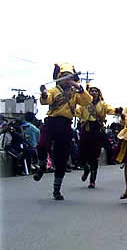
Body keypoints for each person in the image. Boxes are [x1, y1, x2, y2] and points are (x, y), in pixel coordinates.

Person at [34, 63, 92, 200]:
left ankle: (56, 189)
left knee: (62, 157)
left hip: (65, 125)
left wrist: (79, 87)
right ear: (59, 78)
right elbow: (46, 100)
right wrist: (43, 93)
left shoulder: (75, 94)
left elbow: (87, 101)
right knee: (42, 145)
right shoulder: (54, 90)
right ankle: (42, 165)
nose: (67, 80)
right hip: (51, 122)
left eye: (69, 77)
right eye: (64, 77)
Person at [76, 85, 122, 188]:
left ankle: (92, 180)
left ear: (98, 93)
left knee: (94, 156)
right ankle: (85, 168)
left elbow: (111, 110)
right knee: (80, 154)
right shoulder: (84, 105)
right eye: (91, 91)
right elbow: (76, 112)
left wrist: (118, 110)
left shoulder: (103, 105)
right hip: (85, 129)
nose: (93, 92)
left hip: (97, 130)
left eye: (95, 91)